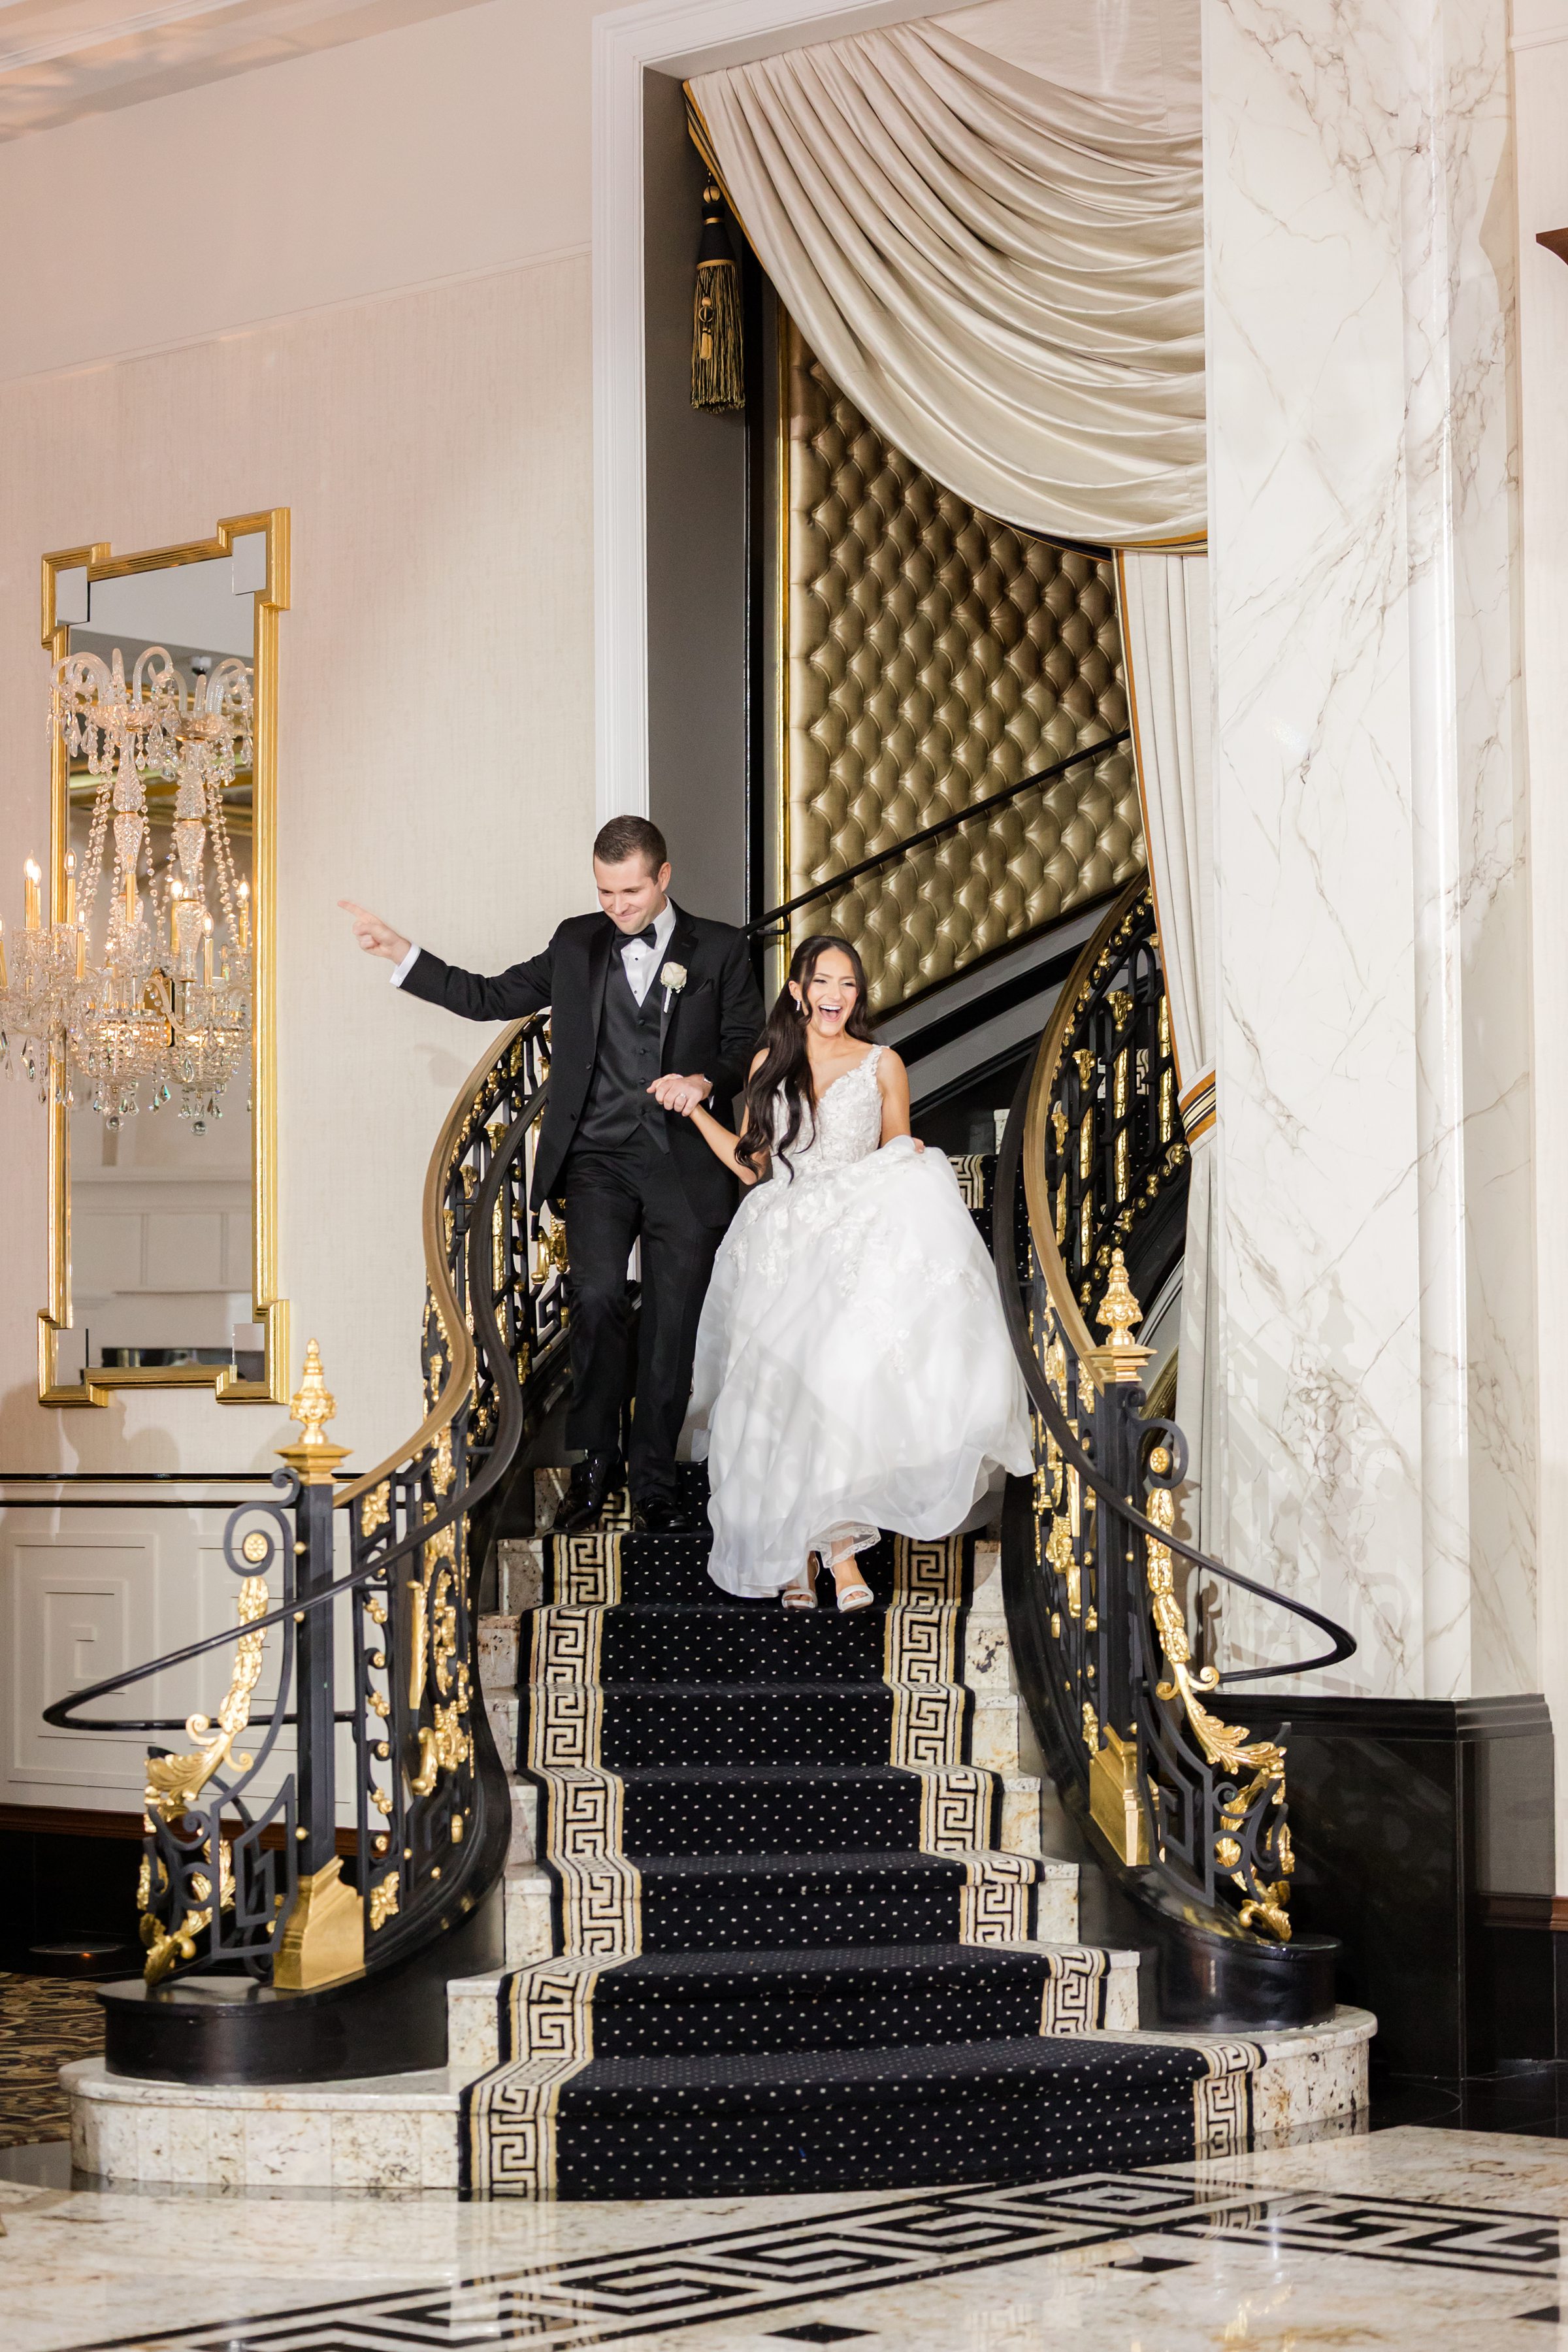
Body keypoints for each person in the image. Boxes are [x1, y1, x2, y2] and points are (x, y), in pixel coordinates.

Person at [340, 816, 764, 1535]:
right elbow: (490, 997)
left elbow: (745, 1043)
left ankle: (654, 1479)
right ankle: (598, 1463)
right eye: (605, 892)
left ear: (664, 878)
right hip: (596, 1156)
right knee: (595, 1298)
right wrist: (401, 952)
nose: (618, 907)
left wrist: (702, 1078)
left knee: (671, 1326)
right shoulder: (577, 942)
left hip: (684, 1163)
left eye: (631, 891)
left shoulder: (722, 948)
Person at [677, 934, 1032, 1607]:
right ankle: (794, 1559)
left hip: (846, 1235)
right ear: (798, 990)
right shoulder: (767, 1062)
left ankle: (838, 1552)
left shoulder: (882, 1063)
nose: (835, 996)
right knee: (774, 1391)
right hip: (776, 1237)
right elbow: (754, 1165)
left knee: (831, 1384)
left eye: (848, 984)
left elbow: (895, 1147)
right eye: (822, 982)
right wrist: (696, 1111)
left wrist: (910, 1153)